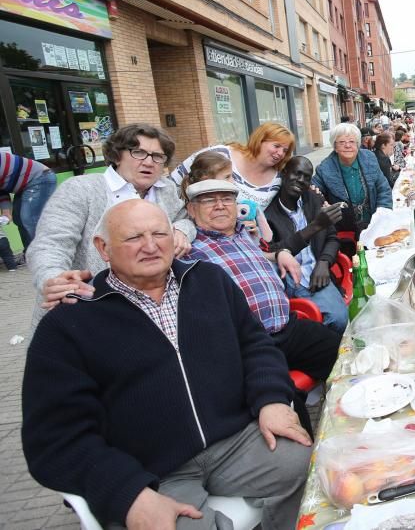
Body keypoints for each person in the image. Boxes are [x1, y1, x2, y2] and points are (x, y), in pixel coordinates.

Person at [22, 200, 312, 530]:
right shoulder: (69, 323)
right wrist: (126, 493)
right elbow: (53, 438)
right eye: (133, 238)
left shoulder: (208, 280)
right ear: (103, 248)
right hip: (150, 470)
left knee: (304, 460)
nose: (150, 246)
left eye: (159, 233)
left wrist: (271, 399)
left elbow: (255, 344)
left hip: (234, 442)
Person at [185, 179, 340, 429]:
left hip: (289, 327)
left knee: (345, 356)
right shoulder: (189, 250)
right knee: (288, 406)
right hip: (251, 344)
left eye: (226, 199)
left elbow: (274, 249)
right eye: (208, 200)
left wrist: (279, 253)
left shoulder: (244, 234)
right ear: (191, 210)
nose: (220, 206)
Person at [27, 124, 194, 330]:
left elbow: (185, 218)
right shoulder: (82, 189)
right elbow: (50, 244)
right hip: (86, 308)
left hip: (150, 309)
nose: (149, 162)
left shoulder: (165, 190)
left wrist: (181, 230)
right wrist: (53, 278)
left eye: (157, 156)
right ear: (116, 156)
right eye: (139, 153)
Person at [265, 156, 351, 332]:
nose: (301, 181)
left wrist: (324, 263)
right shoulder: (268, 212)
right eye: (297, 174)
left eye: (306, 177)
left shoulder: (313, 199)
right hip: (287, 281)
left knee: (340, 319)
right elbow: (271, 251)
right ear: (284, 173)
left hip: (316, 276)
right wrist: (315, 226)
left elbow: (332, 238)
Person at [171, 122, 294, 212]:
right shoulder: (221, 154)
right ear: (260, 140)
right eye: (276, 146)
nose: (280, 153)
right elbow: (172, 181)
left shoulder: (276, 180)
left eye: (285, 150)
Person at [312, 123, 392, 235]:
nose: (347, 146)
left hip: (374, 225)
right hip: (345, 231)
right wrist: (322, 204)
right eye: (342, 142)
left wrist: (382, 212)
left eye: (351, 142)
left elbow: (383, 187)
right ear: (335, 147)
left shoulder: (369, 158)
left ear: (358, 144)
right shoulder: (324, 169)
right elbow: (313, 194)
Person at [0, 150, 56, 248]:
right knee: (18, 219)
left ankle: (47, 252)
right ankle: (30, 254)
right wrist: (6, 211)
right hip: (24, 186)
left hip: (41, 178)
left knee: (29, 219)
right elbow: (2, 189)